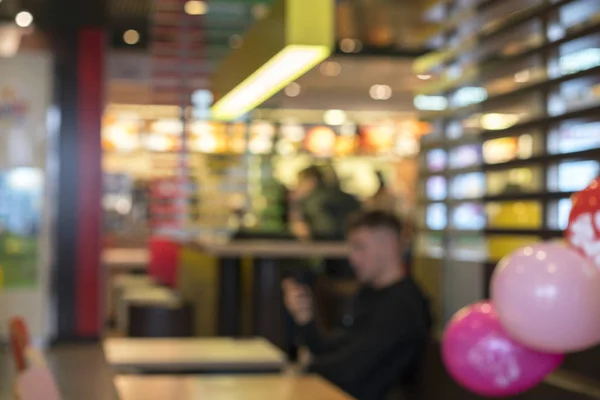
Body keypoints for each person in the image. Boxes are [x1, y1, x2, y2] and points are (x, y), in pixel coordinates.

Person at [282, 210, 431, 400]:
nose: (353, 258)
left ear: (388, 247)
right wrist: (305, 319)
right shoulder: (369, 293)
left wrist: (303, 368)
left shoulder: (403, 305)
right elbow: (329, 348)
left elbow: (350, 371)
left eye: (360, 247)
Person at [289, 165, 361, 240]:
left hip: (328, 244)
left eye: (300, 183)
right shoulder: (343, 196)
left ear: (311, 181)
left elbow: (325, 230)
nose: (297, 187)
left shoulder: (314, 202)